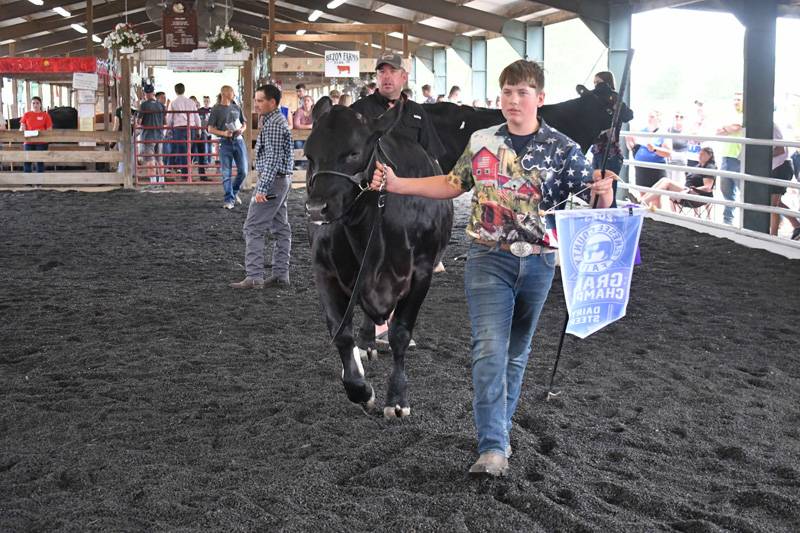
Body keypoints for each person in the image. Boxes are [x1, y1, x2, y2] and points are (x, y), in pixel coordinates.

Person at [369, 59, 616, 478]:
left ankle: (498, 431)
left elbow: (592, 204)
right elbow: (452, 183)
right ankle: (493, 447)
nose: (513, 100)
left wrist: (605, 191)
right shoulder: (482, 140)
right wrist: (397, 184)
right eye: (506, 92)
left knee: (516, 354)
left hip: (539, 262)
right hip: (487, 258)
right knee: (488, 349)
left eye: (522, 93)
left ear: (540, 98)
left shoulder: (563, 149)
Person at [350, 51, 447, 350]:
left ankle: (391, 324)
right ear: (377, 77)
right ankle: (374, 325)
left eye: (393, 71)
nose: (387, 76)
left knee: (408, 264)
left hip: (410, 203)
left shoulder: (417, 112)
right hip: (371, 200)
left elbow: (432, 158)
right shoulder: (359, 110)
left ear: (404, 77)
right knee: (373, 263)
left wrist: (440, 208)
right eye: (382, 71)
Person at [230, 84, 294, 289]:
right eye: (256, 100)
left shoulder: (274, 123)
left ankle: (255, 276)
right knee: (281, 228)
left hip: (273, 181)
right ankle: (280, 274)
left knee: (253, 227)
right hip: (282, 180)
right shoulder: (275, 120)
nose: (256, 105)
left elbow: (273, 158)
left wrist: (263, 188)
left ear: (272, 102)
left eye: (260, 100)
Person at [207, 85, 248, 209]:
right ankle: (228, 199)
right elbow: (210, 128)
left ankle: (233, 192)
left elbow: (244, 123)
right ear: (225, 94)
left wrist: (241, 129)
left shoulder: (237, 107)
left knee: (243, 171)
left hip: (239, 140)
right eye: (232, 92)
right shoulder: (216, 109)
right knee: (226, 172)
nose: (234, 94)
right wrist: (224, 133)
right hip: (225, 142)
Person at [640, 146, 716, 212]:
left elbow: (707, 187)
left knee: (667, 182)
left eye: (702, 154)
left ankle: (643, 202)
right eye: (699, 154)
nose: (699, 156)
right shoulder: (698, 166)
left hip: (694, 194)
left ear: (709, 156)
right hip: (688, 191)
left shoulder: (709, 167)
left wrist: (690, 190)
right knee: (664, 180)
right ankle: (642, 200)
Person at [588, 71, 623, 207]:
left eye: (598, 83)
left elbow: (612, 135)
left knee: (608, 192)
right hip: (597, 153)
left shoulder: (615, 101)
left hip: (610, 154)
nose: (596, 86)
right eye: (595, 83)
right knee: (596, 191)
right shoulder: (595, 104)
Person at [626, 110, 670, 198]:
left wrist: (654, 149)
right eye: (649, 116)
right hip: (641, 167)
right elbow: (632, 147)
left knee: (657, 196)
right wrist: (629, 141)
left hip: (656, 168)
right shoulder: (642, 131)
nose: (650, 119)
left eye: (652, 117)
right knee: (643, 195)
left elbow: (668, 153)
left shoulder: (663, 133)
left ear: (659, 119)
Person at [716, 92, 744, 225]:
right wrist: (729, 128)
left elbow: (736, 127)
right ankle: (728, 221)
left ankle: (745, 222)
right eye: (734, 99)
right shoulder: (731, 115)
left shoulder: (746, 115)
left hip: (738, 158)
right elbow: (718, 131)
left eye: (738, 99)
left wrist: (727, 128)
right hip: (726, 156)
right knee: (726, 190)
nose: (736, 102)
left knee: (743, 190)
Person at [768, 123, 800, 236]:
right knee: (775, 203)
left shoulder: (771, 127)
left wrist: (762, 154)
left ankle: (773, 236)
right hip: (778, 167)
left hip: (780, 167)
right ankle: (797, 225)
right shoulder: (769, 126)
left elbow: (780, 150)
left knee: (773, 204)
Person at [166, 83, 200, 177]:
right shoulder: (191, 102)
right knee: (190, 150)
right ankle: (187, 170)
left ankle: (185, 173)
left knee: (182, 151)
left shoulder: (173, 102)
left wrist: (168, 129)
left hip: (179, 128)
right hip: (191, 128)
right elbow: (197, 117)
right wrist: (199, 130)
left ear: (175, 91)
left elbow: (169, 117)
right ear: (184, 90)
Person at [137, 84, 165, 183]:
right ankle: (161, 180)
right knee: (159, 159)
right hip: (159, 135)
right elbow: (164, 122)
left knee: (150, 160)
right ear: (153, 92)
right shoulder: (161, 105)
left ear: (145, 93)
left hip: (148, 135)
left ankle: (153, 181)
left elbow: (139, 122)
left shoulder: (144, 105)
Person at [19, 96, 53, 173]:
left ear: (40, 104)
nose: (35, 105)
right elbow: (22, 127)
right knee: (27, 161)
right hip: (28, 142)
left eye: (37, 103)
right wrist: (22, 129)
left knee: (40, 161)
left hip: (41, 142)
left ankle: (39, 183)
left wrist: (41, 132)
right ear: (31, 104)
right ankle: (28, 183)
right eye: (33, 103)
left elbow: (49, 130)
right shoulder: (27, 114)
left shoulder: (45, 115)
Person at [195, 95, 212, 180]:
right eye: (205, 100)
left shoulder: (212, 110)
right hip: (202, 131)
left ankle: (208, 161)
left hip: (211, 131)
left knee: (209, 147)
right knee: (204, 147)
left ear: (209, 101)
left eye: (207, 100)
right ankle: (206, 162)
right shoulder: (200, 110)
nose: (206, 102)